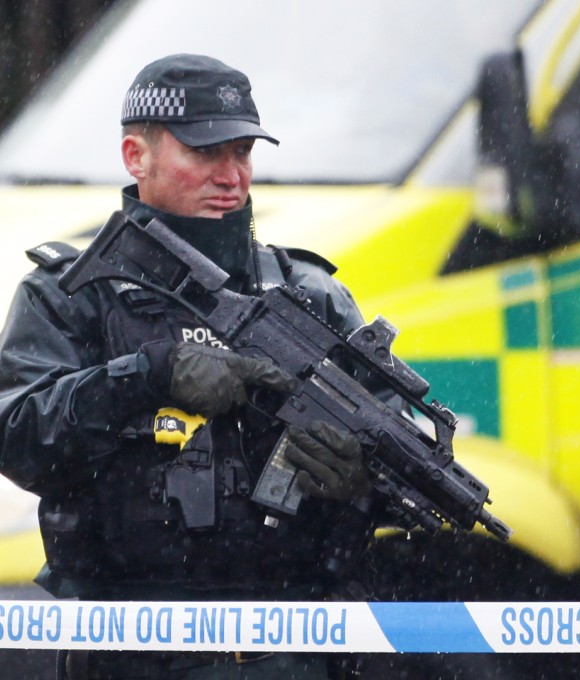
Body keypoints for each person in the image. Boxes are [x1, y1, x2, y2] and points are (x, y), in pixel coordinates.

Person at [0, 54, 387, 679]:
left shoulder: (307, 297)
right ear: (136, 156)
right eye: (206, 153)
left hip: (290, 653)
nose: (231, 176)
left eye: (242, 152)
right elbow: (16, 437)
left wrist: (359, 480)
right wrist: (148, 375)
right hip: (129, 650)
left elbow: (402, 471)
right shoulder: (72, 293)